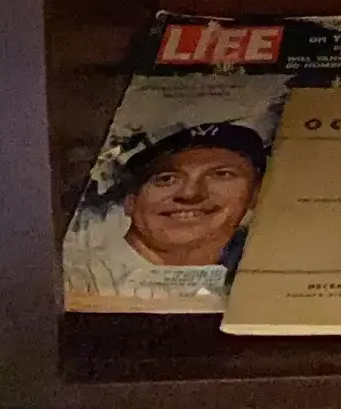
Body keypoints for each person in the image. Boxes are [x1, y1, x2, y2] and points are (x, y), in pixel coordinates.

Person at [65, 121, 267, 299]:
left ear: (255, 193)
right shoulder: (77, 282)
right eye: (167, 179)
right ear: (130, 201)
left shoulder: (257, 277)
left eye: (221, 174)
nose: (190, 194)